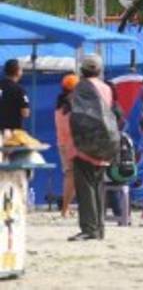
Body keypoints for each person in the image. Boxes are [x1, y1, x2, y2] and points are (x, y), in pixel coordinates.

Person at [66, 55, 117, 241]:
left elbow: (78, 115)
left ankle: (89, 228)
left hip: (85, 144)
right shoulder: (106, 88)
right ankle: (99, 228)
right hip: (104, 142)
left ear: (82, 70)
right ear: (99, 70)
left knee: (85, 187)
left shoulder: (81, 87)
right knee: (98, 185)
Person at [54, 75, 78, 220]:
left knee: (69, 176)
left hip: (62, 144)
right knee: (72, 177)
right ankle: (65, 208)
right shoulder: (72, 106)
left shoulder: (59, 106)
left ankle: (66, 208)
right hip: (73, 144)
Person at [0, 59, 30, 131]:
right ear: (18, 72)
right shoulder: (19, 90)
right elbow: (25, 113)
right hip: (13, 133)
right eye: (21, 69)